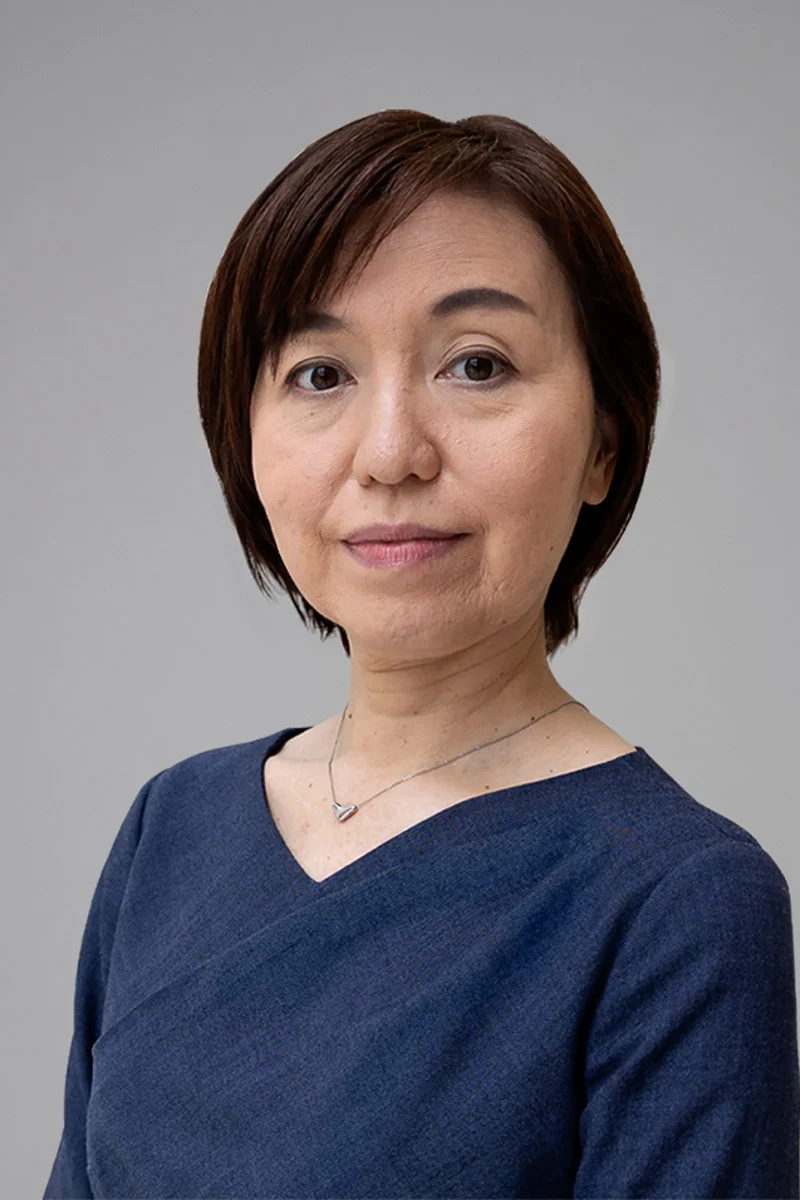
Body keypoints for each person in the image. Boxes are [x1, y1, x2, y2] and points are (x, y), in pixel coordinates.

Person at [44, 108, 799, 1199]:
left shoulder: (679, 903)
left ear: (601, 442)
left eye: (477, 365)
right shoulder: (174, 827)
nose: (390, 452)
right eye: (318, 375)